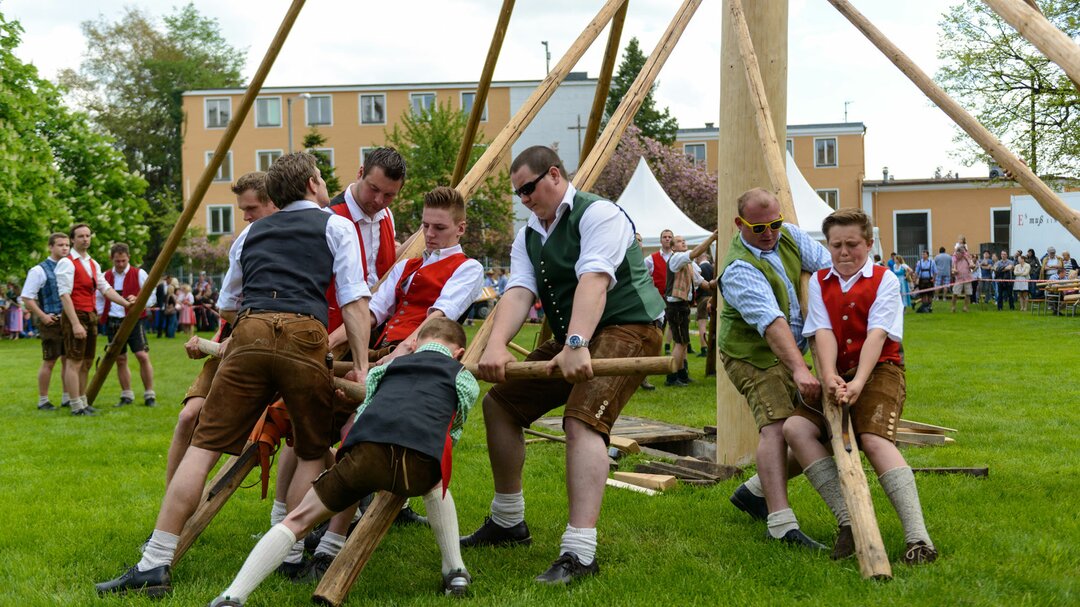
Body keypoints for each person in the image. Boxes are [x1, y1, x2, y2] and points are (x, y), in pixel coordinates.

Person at [95, 152, 372, 597]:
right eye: (319, 178)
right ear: (308, 184)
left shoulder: (250, 233)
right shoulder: (334, 225)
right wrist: (359, 364)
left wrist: (258, 321)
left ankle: (156, 561)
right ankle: (289, 553)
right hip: (306, 334)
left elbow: (226, 303)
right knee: (309, 450)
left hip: (251, 332)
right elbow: (356, 300)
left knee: (203, 448)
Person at [463, 146, 665, 584]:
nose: (524, 200)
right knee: (499, 406)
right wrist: (496, 344)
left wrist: (575, 342)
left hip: (629, 327)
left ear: (554, 175)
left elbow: (594, 278)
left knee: (582, 421)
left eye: (528, 189)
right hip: (575, 336)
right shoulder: (529, 233)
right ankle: (508, 522)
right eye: (518, 194)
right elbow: (518, 291)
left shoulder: (600, 215)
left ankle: (580, 552)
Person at [205, 318, 478, 606]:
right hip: (420, 463)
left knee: (297, 520)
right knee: (436, 481)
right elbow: (453, 428)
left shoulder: (385, 370)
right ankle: (455, 571)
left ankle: (232, 596)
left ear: (415, 344)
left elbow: (364, 414)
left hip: (367, 455)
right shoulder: (463, 377)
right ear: (459, 352)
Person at [302, 186, 483, 579]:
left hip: (419, 365)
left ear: (460, 228)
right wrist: (327, 345)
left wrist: (383, 366)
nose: (430, 234)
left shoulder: (468, 268)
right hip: (382, 354)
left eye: (439, 227)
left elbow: (434, 322)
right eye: (424, 225)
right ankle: (308, 519)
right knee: (311, 421)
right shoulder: (407, 266)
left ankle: (330, 541)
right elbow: (372, 313)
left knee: (356, 432)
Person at [782, 208, 937, 565]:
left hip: (880, 368)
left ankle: (919, 538)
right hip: (835, 370)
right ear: (828, 245)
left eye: (853, 244)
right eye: (836, 245)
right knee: (795, 428)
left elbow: (877, 335)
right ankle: (849, 520)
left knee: (873, 439)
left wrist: (858, 382)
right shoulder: (819, 282)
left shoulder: (885, 279)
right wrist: (829, 376)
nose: (844, 252)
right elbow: (822, 333)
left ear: (869, 244)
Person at [718, 188, 833, 549]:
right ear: (740, 224)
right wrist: (801, 369)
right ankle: (781, 525)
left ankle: (754, 492)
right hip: (752, 353)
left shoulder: (791, 236)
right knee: (779, 427)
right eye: (758, 227)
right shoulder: (739, 269)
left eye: (774, 224)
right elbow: (772, 324)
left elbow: (828, 268)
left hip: (792, 348)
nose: (768, 233)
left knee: (818, 428)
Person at [165, 172, 278, 490]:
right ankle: (171, 504)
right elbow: (229, 302)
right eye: (242, 208)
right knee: (189, 417)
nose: (245, 216)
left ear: (273, 202)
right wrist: (218, 340)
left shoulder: (302, 232)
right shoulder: (245, 239)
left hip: (279, 340)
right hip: (236, 332)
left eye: (251, 208)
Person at [56, 223, 132, 416]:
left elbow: (105, 288)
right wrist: (74, 323)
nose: (85, 239)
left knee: (87, 361)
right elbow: (64, 295)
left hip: (90, 314)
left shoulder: (92, 263)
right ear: (73, 239)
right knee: (74, 360)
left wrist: (125, 303)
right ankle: (75, 405)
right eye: (80, 236)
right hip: (75, 313)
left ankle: (83, 401)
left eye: (88, 235)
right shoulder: (67, 262)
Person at [100, 243, 157, 407]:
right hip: (113, 320)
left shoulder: (139, 273)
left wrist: (138, 300)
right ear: (112, 259)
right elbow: (100, 297)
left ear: (128, 258)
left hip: (134, 319)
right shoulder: (105, 276)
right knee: (120, 358)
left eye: (123, 261)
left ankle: (149, 394)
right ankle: (126, 395)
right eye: (117, 261)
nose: (120, 264)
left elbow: (151, 297)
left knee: (142, 355)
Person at [20, 232, 72, 410]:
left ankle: (67, 397)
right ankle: (43, 400)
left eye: (67, 245)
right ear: (51, 247)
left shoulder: (70, 266)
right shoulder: (39, 270)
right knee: (50, 360)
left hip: (70, 320)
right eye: (60, 245)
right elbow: (27, 297)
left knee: (68, 360)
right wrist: (43, 316)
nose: (65, 248)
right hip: (51, 319)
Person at [663, 235, 702, 386]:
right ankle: (671, 377)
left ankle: (681, 374)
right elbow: (696, 252)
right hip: (676, 306)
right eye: (679, 241)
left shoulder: (687, 262)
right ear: (673, 248)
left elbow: (699, 280)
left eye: (684, 240)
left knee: (683, 342)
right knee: (680, 343)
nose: (683, 242)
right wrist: (712, 238)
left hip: (682, 305)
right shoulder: (677, 258)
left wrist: (713, 284)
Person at [695, 253, 714, 356]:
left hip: (702, 299)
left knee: (702, 324)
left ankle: (704, 348)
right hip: (712, 298)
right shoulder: (713, 268)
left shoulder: (699, 268)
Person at [950, 244, 973, 313]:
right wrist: (954, 271)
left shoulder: (967, 258)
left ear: (962, 254)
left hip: (967, 278)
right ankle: (953, 307)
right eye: (956, 253)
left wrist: (972, 266)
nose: (957, 255)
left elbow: (972, 265)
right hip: (959, 279)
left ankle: (965, 307)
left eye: (958, 254)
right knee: (955, 293)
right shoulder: (955, 260)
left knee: (968, 294)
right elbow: (953, 269)